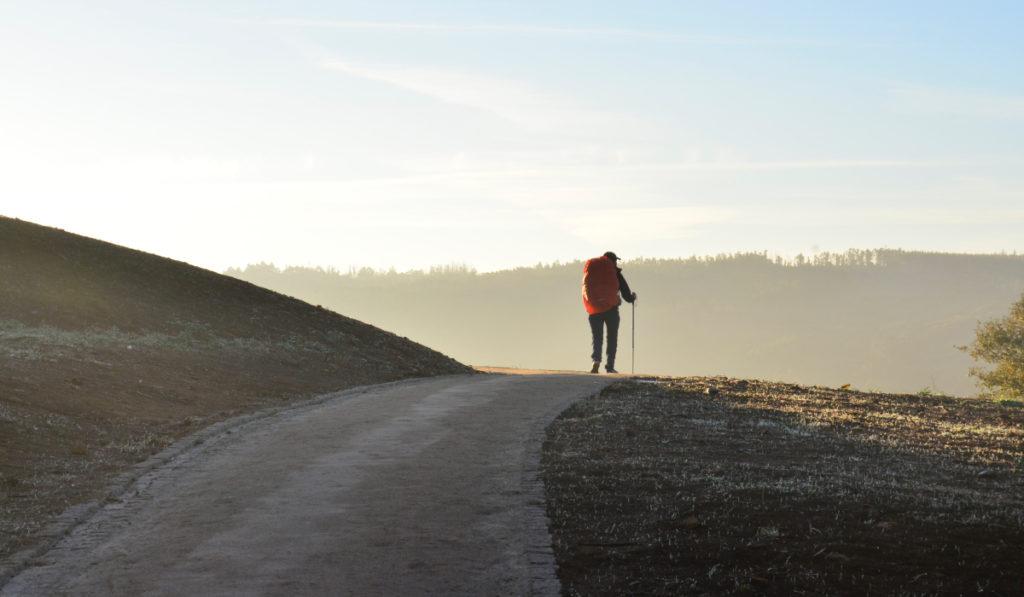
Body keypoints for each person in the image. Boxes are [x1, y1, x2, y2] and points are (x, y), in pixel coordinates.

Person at [581, 251, 637, 374]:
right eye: (616, 261)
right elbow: (626, 293)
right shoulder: (614, 272)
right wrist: (632, 298)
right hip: (611, 309)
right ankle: (610, 366)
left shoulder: (592, 269)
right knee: (612, 337)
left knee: (597, 337)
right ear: (613, 260)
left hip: (594, 309)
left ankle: (596, 360)